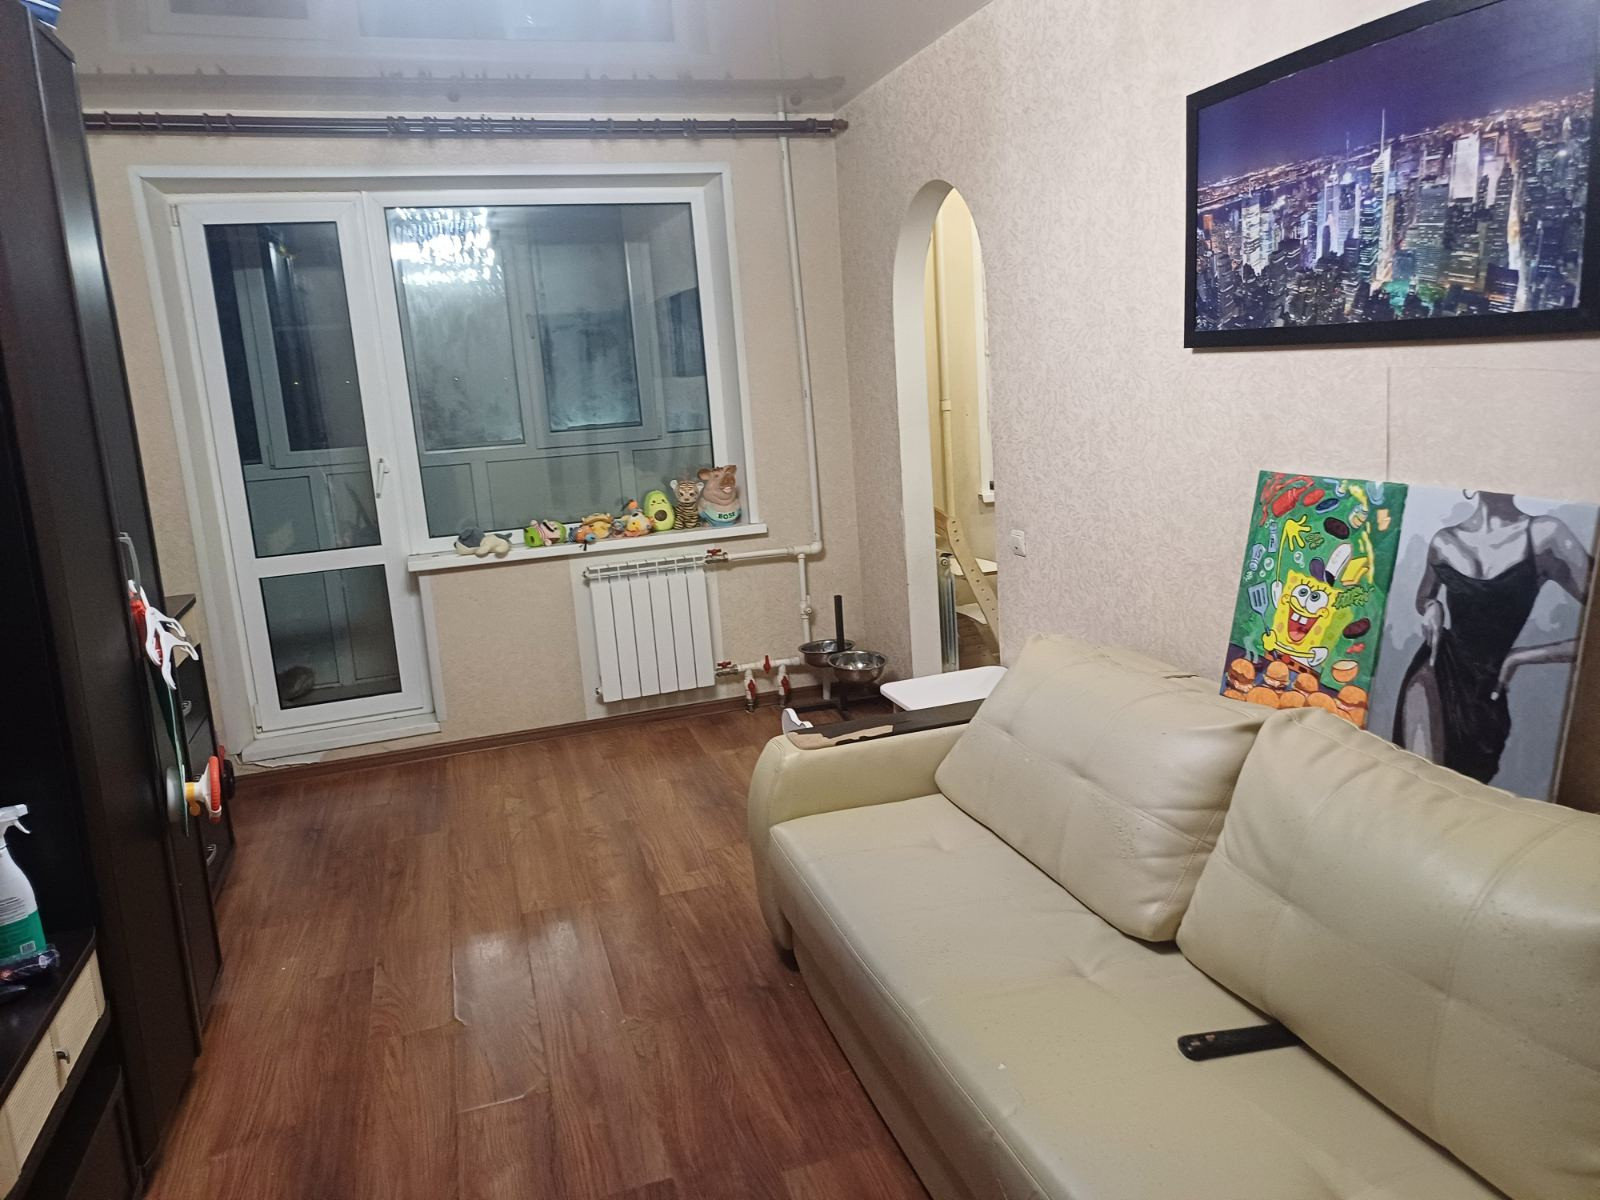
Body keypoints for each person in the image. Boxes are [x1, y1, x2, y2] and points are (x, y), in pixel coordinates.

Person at [1395, 491, 1593, 783]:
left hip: (1487, 692)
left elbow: (1593, 633)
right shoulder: (1444, 541)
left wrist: (1519, 657)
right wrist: (1432, 606)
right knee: (1418, 785)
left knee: (1458, 792)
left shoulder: (1544, 534)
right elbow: (1423, 598)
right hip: (1435, 668)